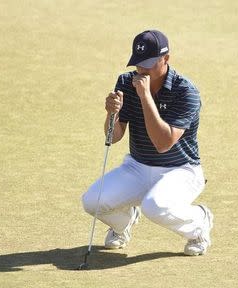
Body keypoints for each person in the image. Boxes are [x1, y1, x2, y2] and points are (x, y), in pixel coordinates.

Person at [81, 30, 213, 256]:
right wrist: (111, 114)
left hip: (181, 170)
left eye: (149, 64)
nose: (142, 71)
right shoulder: (125, 82)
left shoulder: (186, 92)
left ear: (166, 59)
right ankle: (124, 223)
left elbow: (163, 143)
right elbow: (113, 137)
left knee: (155, 207)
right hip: (137, 166)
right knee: (92, 201)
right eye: (138, 64)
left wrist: (145, 97)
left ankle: (199, 223)